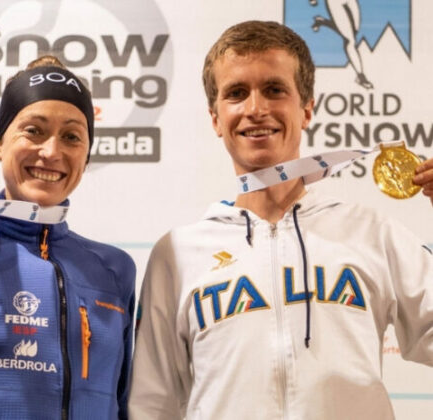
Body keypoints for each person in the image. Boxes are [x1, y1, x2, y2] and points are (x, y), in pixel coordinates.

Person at [128, 21, 433, 420]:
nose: (256, 109)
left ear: (306, 109)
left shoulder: (372, 233)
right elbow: (152, 403)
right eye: (236, 93)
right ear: (215, 118)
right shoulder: (178, 253)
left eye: (274, 90)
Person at [0, 55, 135, 419]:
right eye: (33, 130)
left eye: (71, 137)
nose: (51, 152)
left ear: (86, 155)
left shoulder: (114, 270)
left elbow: (125, 403)